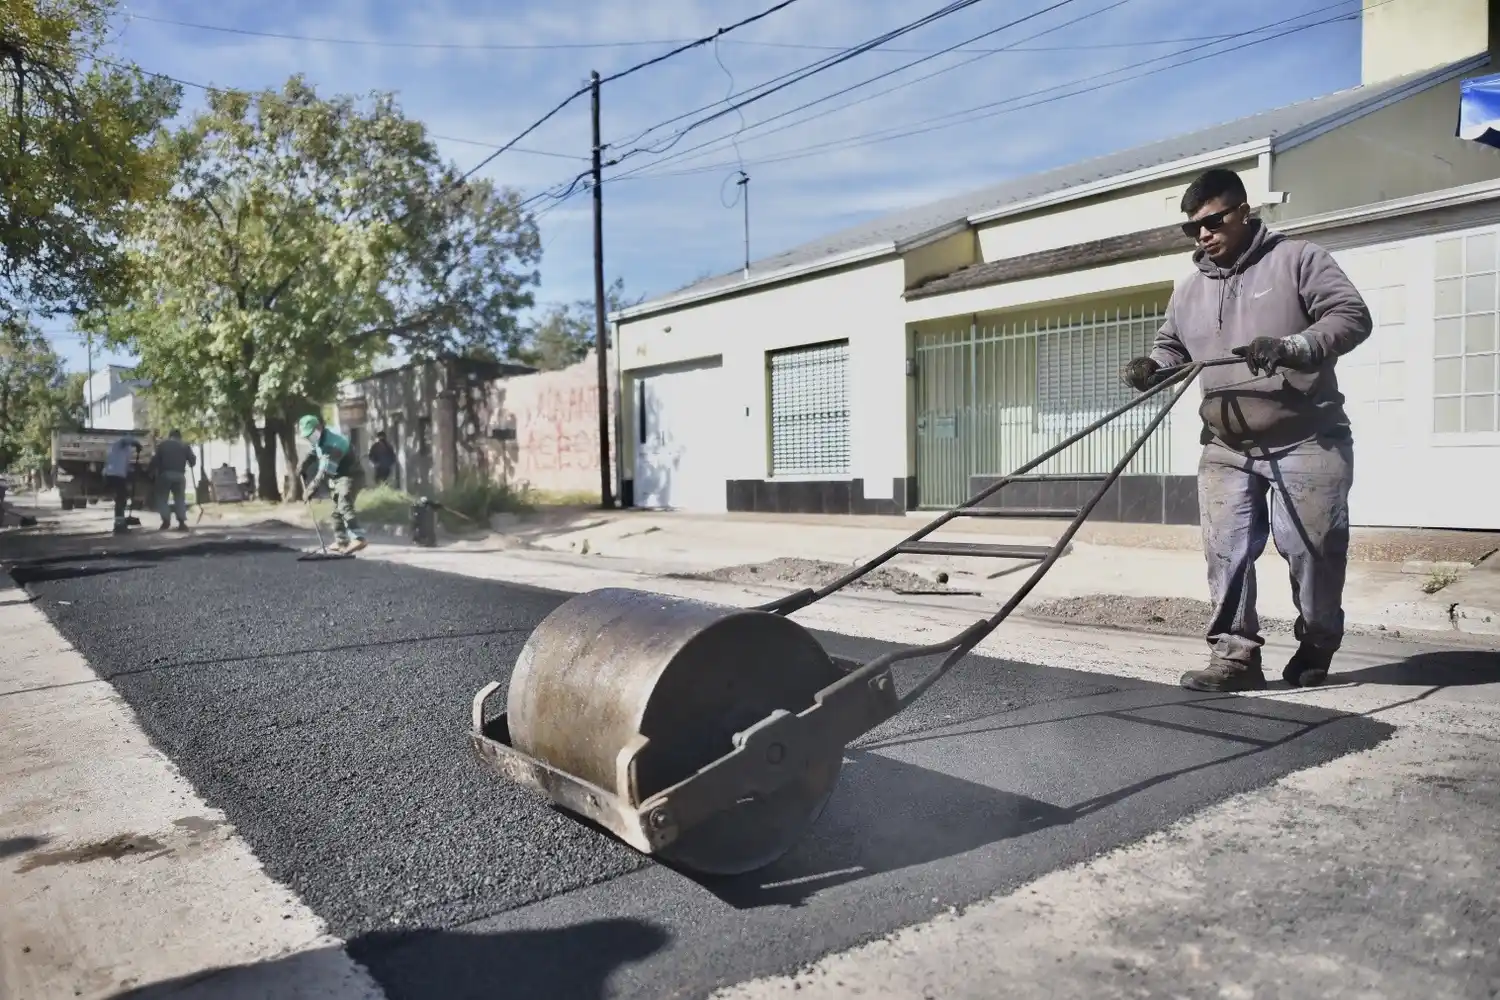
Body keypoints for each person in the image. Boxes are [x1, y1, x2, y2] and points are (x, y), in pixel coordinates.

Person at [1119, 167, 1373, 694]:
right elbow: (1174, 349)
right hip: (1226, 446)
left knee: (1311, 551)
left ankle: (1319, 640)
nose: (1203, 235)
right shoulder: (1188, 290)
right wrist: (1153, 367)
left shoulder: (1298, 259)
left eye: (1212, 222)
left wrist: (1293, 346)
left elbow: (1350, 314)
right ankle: (1234, 657)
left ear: (1243, 211)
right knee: (1226, 550)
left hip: (1307, 437)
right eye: (1193, 229)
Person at [298, 414, 367, 554]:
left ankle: (358, 538)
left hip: (350, 475)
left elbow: (324, 472)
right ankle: (342, 541)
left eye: (310, 434)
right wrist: (303, 466)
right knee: (336, 512)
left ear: (319, 427)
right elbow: (314, 452)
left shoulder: (333, 444)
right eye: (306, 436)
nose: (309, 438)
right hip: (338, 476)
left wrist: (310, 490)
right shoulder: (319, 441)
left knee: (344, 501)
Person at [153, 429, 197, 531]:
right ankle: (181, 522)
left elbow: (155, 461)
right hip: (180, 475)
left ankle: (166, 520)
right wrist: (189, 460)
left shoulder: (163, 445)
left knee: (162, 498)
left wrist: (151, 471)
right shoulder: (185, 445)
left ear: (170, 436)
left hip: (165, 474)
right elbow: (192, 461)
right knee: (180, 498)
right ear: (180, 436)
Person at [101, 435, 142, 534]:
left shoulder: (125, 452)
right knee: (121, 499)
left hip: (117, 475)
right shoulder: (118, 445)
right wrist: (136, 443)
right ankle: (119, 525)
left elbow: (125, 466)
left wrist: (132, 471)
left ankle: (120, 523)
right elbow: (125, 439)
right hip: (114, 474)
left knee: (122, 499)